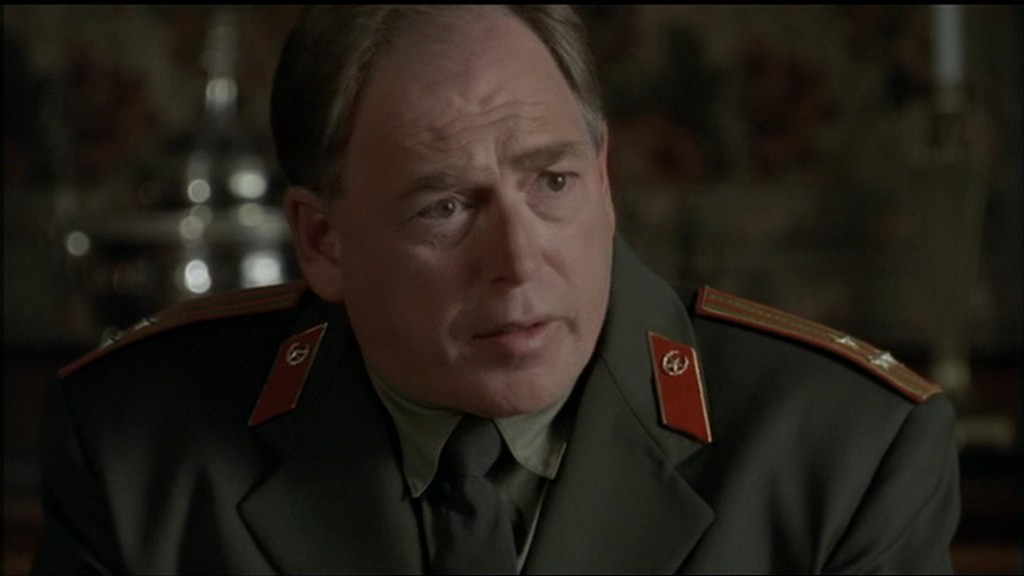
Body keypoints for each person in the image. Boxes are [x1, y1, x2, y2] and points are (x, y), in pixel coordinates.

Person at [33, 5, 960, 574]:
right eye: (445, 206)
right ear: (322, 241)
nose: (518, 261)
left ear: (603, 179)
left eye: (551, 182)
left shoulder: (843, 455)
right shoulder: (138, 450)